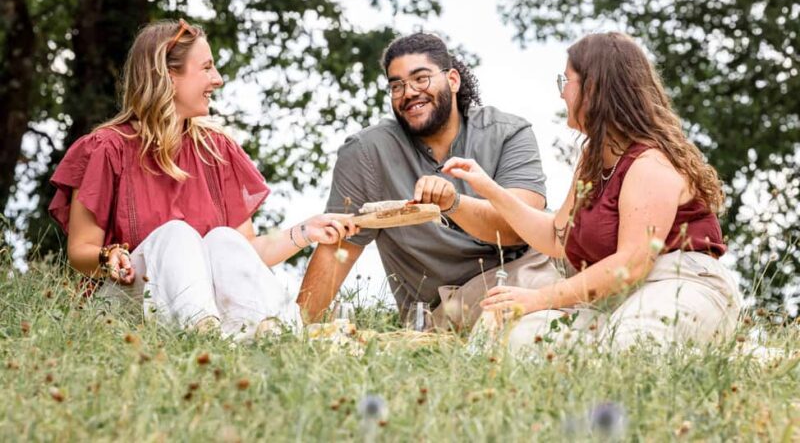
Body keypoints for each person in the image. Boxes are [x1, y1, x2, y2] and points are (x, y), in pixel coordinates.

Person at [49, 19, 357, 339]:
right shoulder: (105, 148)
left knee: (224, 240)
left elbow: (245, 252)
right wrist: (108, 256)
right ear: (168, 76)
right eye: (207, 68)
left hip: (208, 313)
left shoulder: (216, 149)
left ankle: (273, 337)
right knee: (176, 236)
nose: (218, 79)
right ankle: (205, 337)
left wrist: (307, 231)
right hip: (125, 313)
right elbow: (80, 252)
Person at [443, 32, 742, 351]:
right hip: (620, 298)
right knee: (516, 336)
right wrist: (487, 187)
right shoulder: (592, 158)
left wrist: (538, 298)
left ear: (594, 88)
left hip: (681, 285)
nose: (561, 94)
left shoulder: (650, 162)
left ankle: (749, 358)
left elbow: (631, 264)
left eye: (566, 81)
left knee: (630, 346)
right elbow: (557, 238)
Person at [297, 32, 563, 327]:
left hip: (527, 281)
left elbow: (520, 229)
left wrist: (453, 204)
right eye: (396, 85)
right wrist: (297, 331)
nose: (408, 92)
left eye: (421, 78)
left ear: (452, 80)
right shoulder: (366, 152)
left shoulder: (508, 133)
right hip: (442, 313)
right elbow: (338, 248)